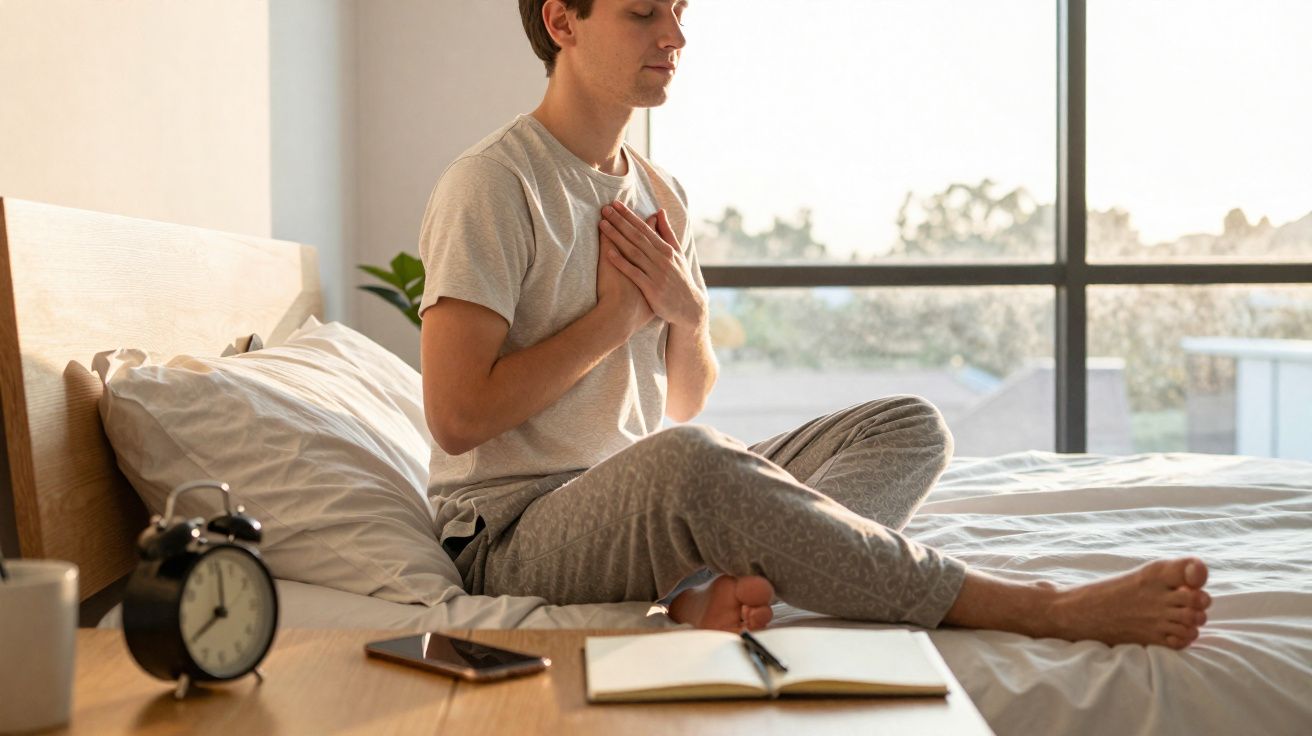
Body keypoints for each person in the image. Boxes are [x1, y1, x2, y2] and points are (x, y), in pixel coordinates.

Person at [415, 0, 1212, 649]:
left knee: (906, 426)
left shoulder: (661, 193)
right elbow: (456, 419)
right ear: (562, 23)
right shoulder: (492, 183)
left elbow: (683, 397)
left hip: (630, 492)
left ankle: (740, 584)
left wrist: (686, 316)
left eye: (681, 12)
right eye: (644, 13)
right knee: (694, 463)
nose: (676, 36)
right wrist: (614, 318)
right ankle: (1036, 608)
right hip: (511, 530)